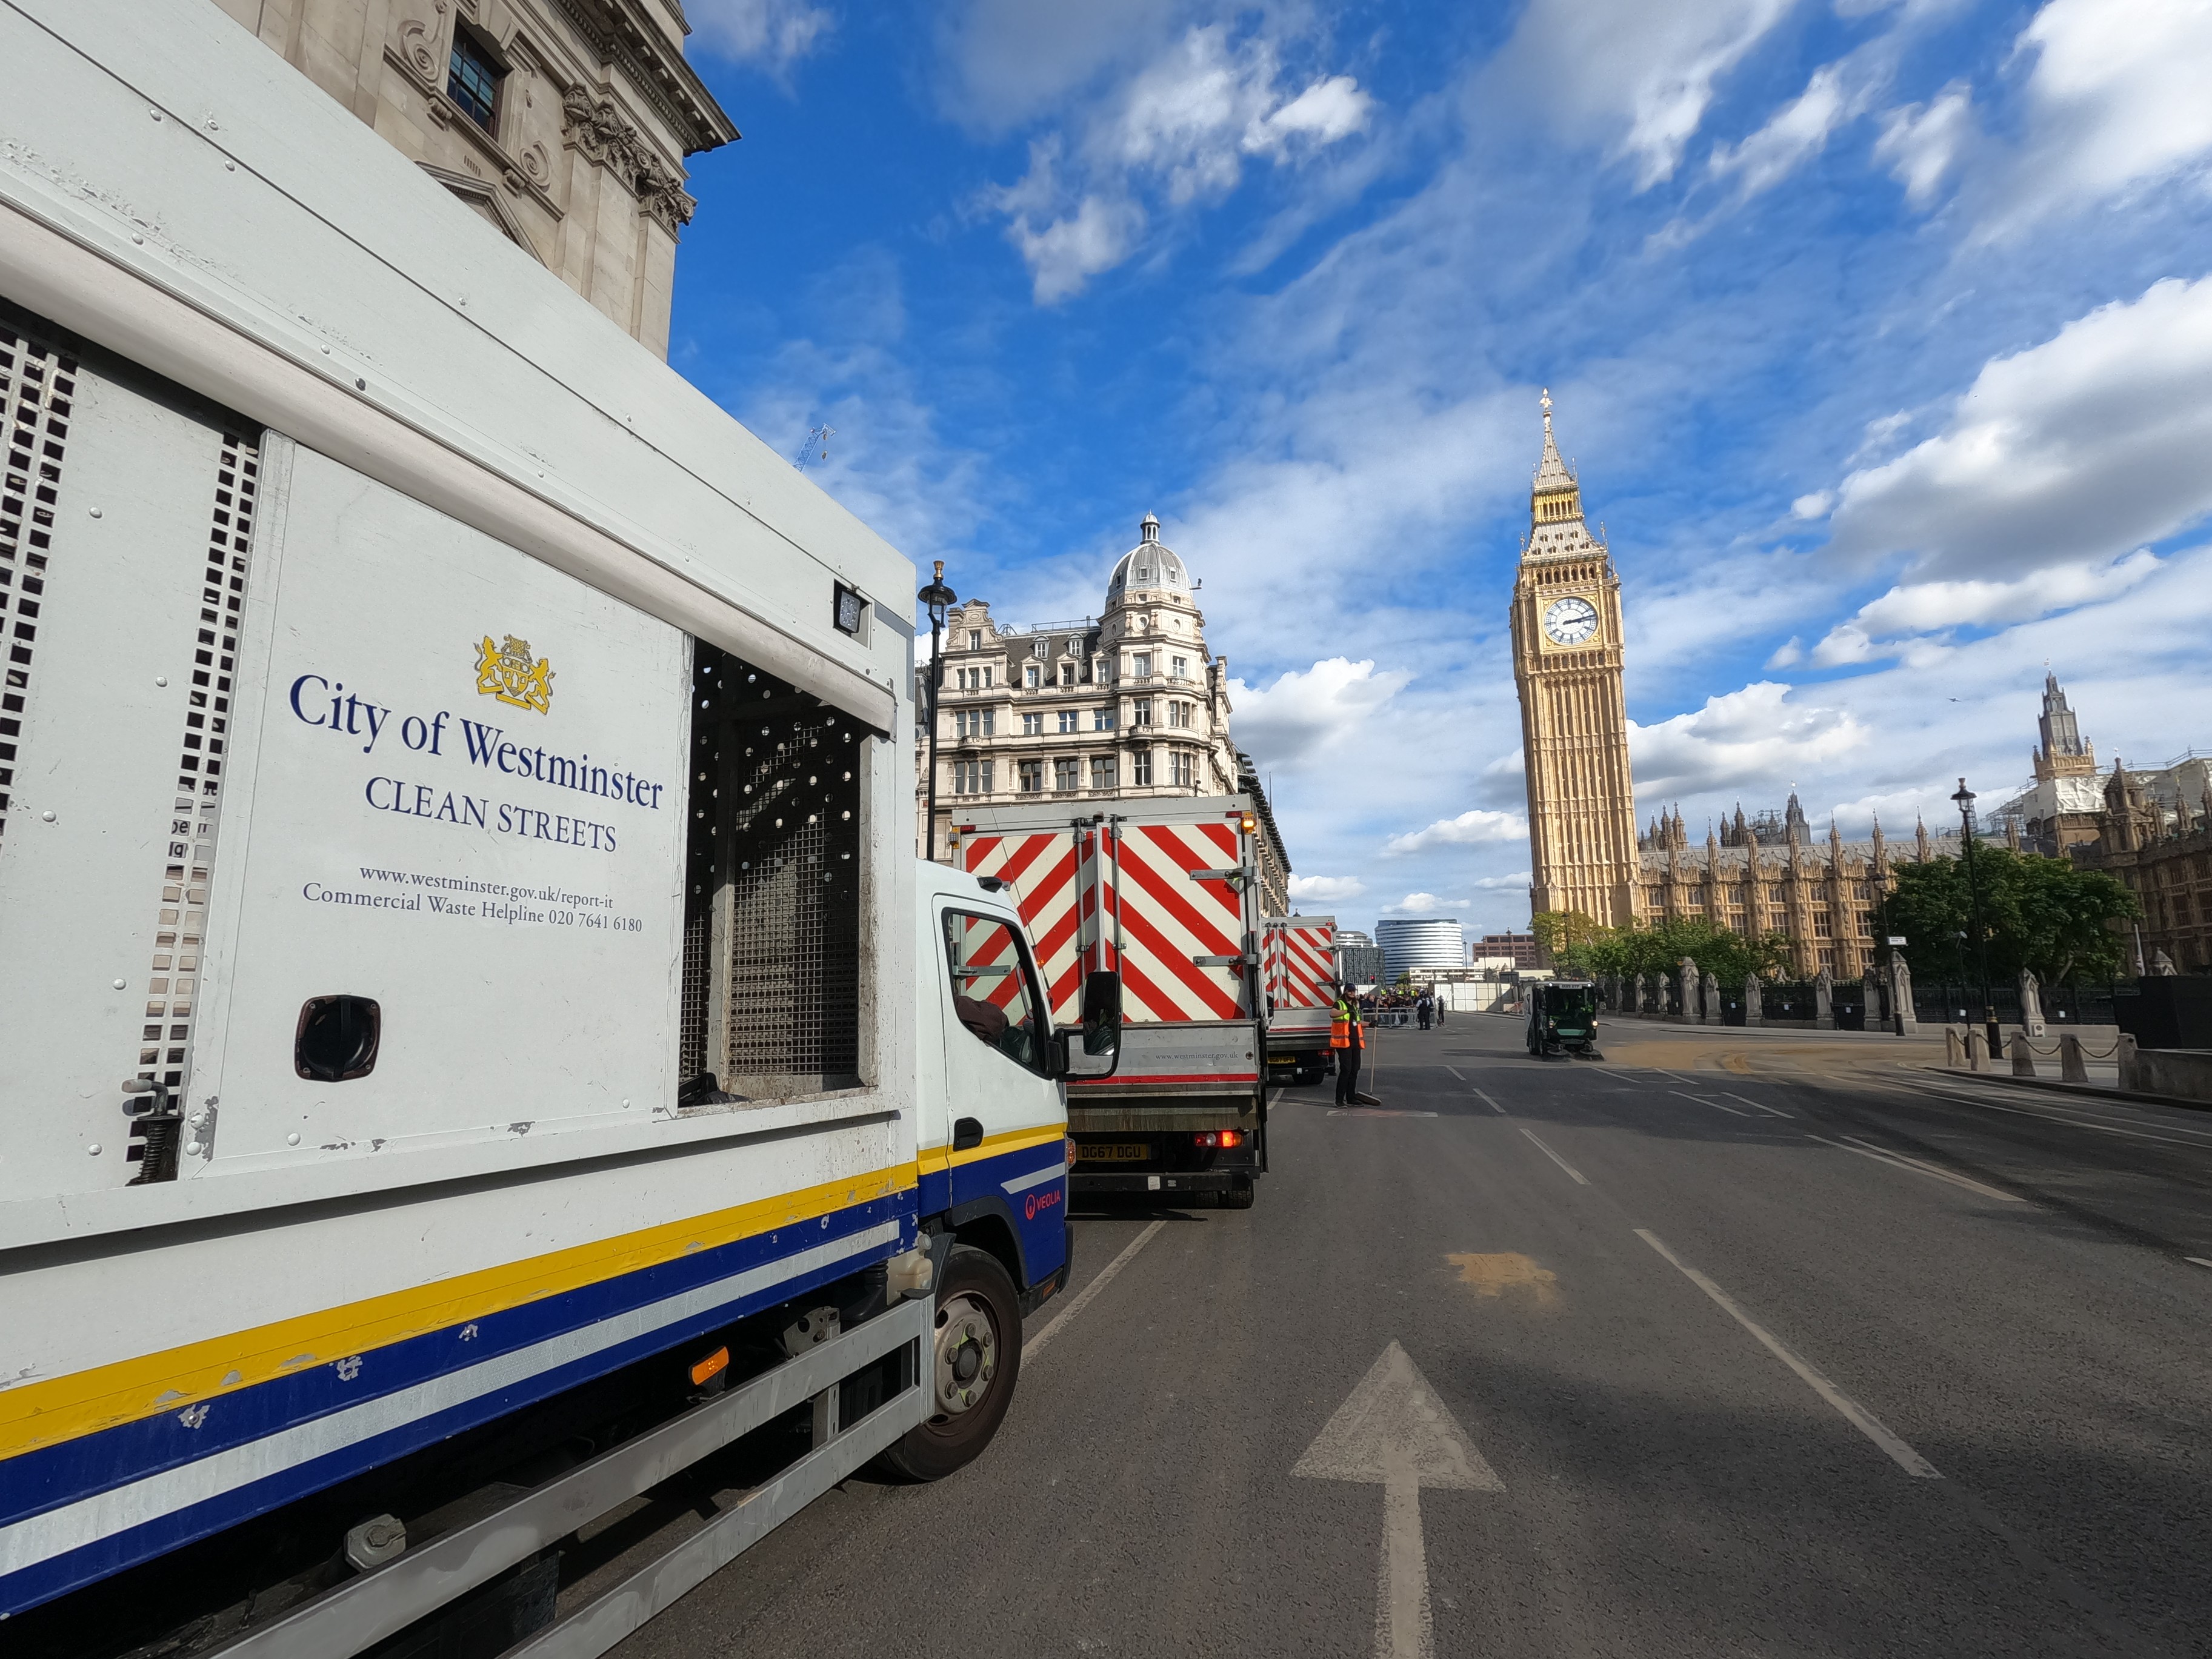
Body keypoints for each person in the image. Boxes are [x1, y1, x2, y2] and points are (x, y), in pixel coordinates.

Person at [1331, 982, 1376, 1106]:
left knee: (1355, 1070)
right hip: (1344, 1042)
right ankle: (1339, 1099)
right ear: (1345, 991)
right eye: (1350, 990)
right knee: (1346, 1070)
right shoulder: (1340, 1004)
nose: (1352, 992)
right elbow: (1332, 1013)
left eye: (1354, 991)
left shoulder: (1356, 1006)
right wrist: (1346, 1011)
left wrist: (1370, 1024)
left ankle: (1351, 1097)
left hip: (1355, 1041)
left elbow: (1357, 1022)